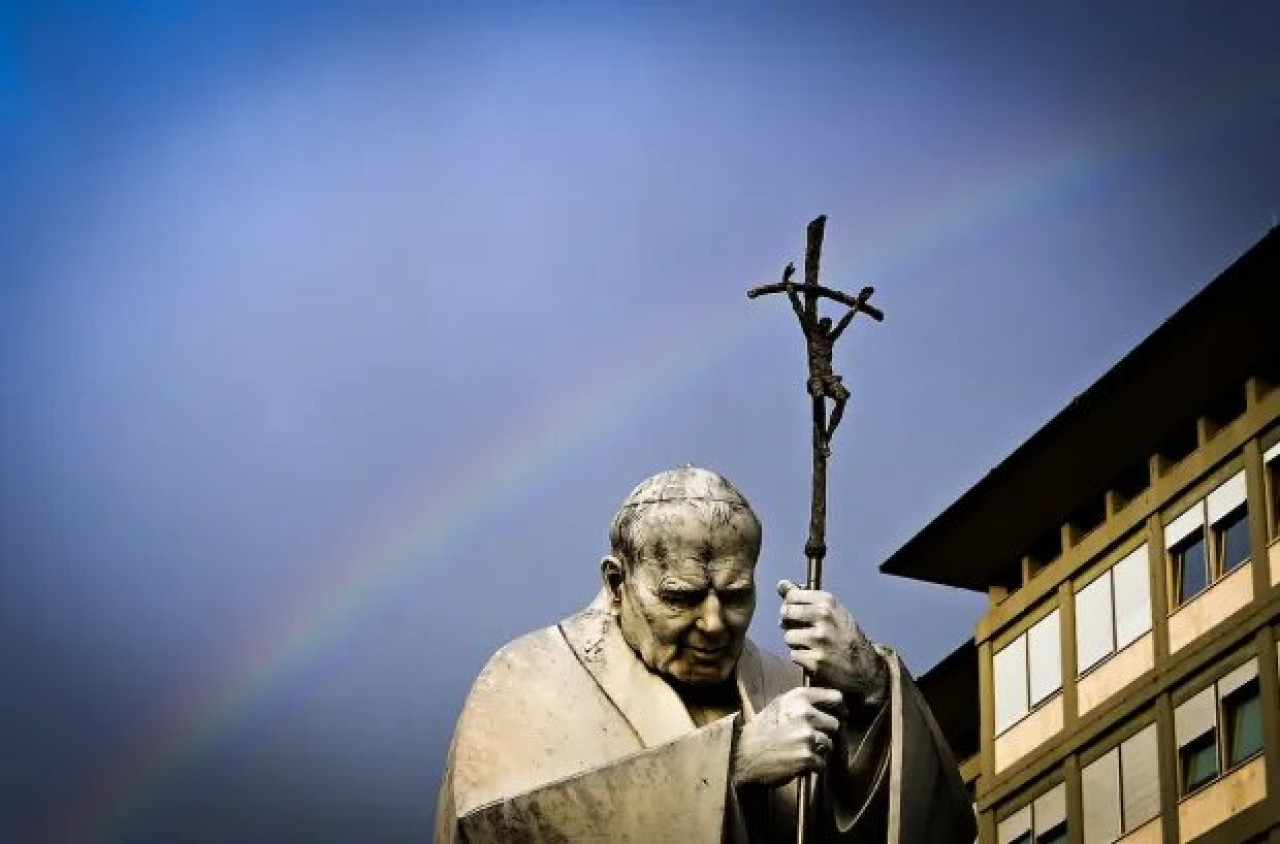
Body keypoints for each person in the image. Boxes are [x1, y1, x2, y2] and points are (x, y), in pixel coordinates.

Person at [435, 467, 974, 843]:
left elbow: (937, 828)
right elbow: (490, 828)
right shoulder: (527, 676)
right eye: (681, 597)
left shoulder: (794, 689)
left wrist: (874, 692)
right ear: (616, 582)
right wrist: (729, 766)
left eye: (736, 595)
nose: (715, 623)